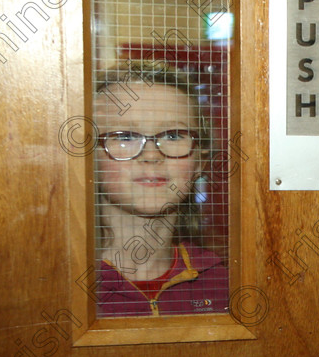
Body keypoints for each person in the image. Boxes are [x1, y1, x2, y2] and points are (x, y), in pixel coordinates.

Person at [93, 64, 229, 317]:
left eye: (174, 136)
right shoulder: (62, 286)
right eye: (124, 136)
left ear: (200, 161)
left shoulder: (223, 281)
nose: (152, 155)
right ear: (88, 159)